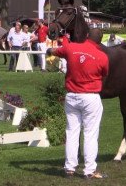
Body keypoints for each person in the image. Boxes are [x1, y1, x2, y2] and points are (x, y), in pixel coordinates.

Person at [46, 37, 109, 179]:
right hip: (90, 97)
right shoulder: (102, 56)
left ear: (87, 37)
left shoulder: (71, 48)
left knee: (72, 133)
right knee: (90, 134)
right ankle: (89, 170)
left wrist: (49, 50)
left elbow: (54, 51)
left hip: (72, 96)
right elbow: (104, 74)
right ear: (99, 40)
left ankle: (69, 169)